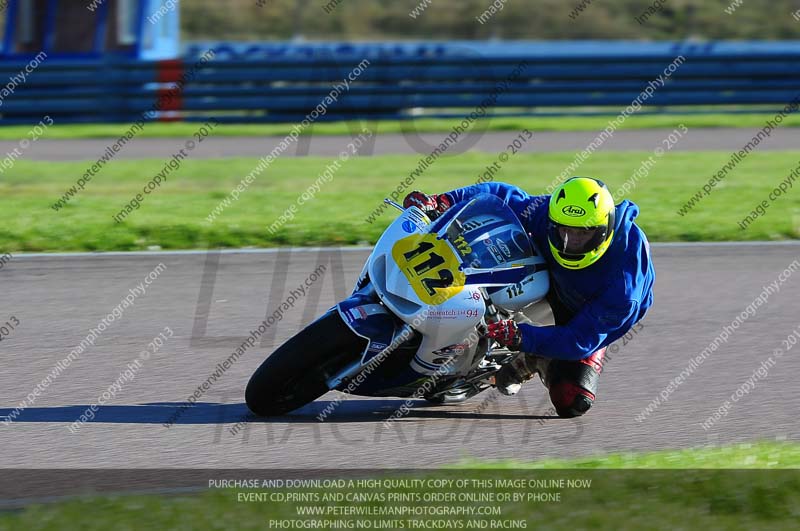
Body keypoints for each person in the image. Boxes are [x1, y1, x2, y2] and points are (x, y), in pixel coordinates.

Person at [402, 177, 655, 418]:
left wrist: (523, 337)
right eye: (564, 231)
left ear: (604, 230)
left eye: (584, 234)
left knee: (572, 401)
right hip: (553, 276)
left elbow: (580, 338)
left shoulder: (623, 288)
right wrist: (443, 201)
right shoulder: (548, 215)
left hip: (590, 315)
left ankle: (531, 360)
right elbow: (500, 197)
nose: (572, 242)